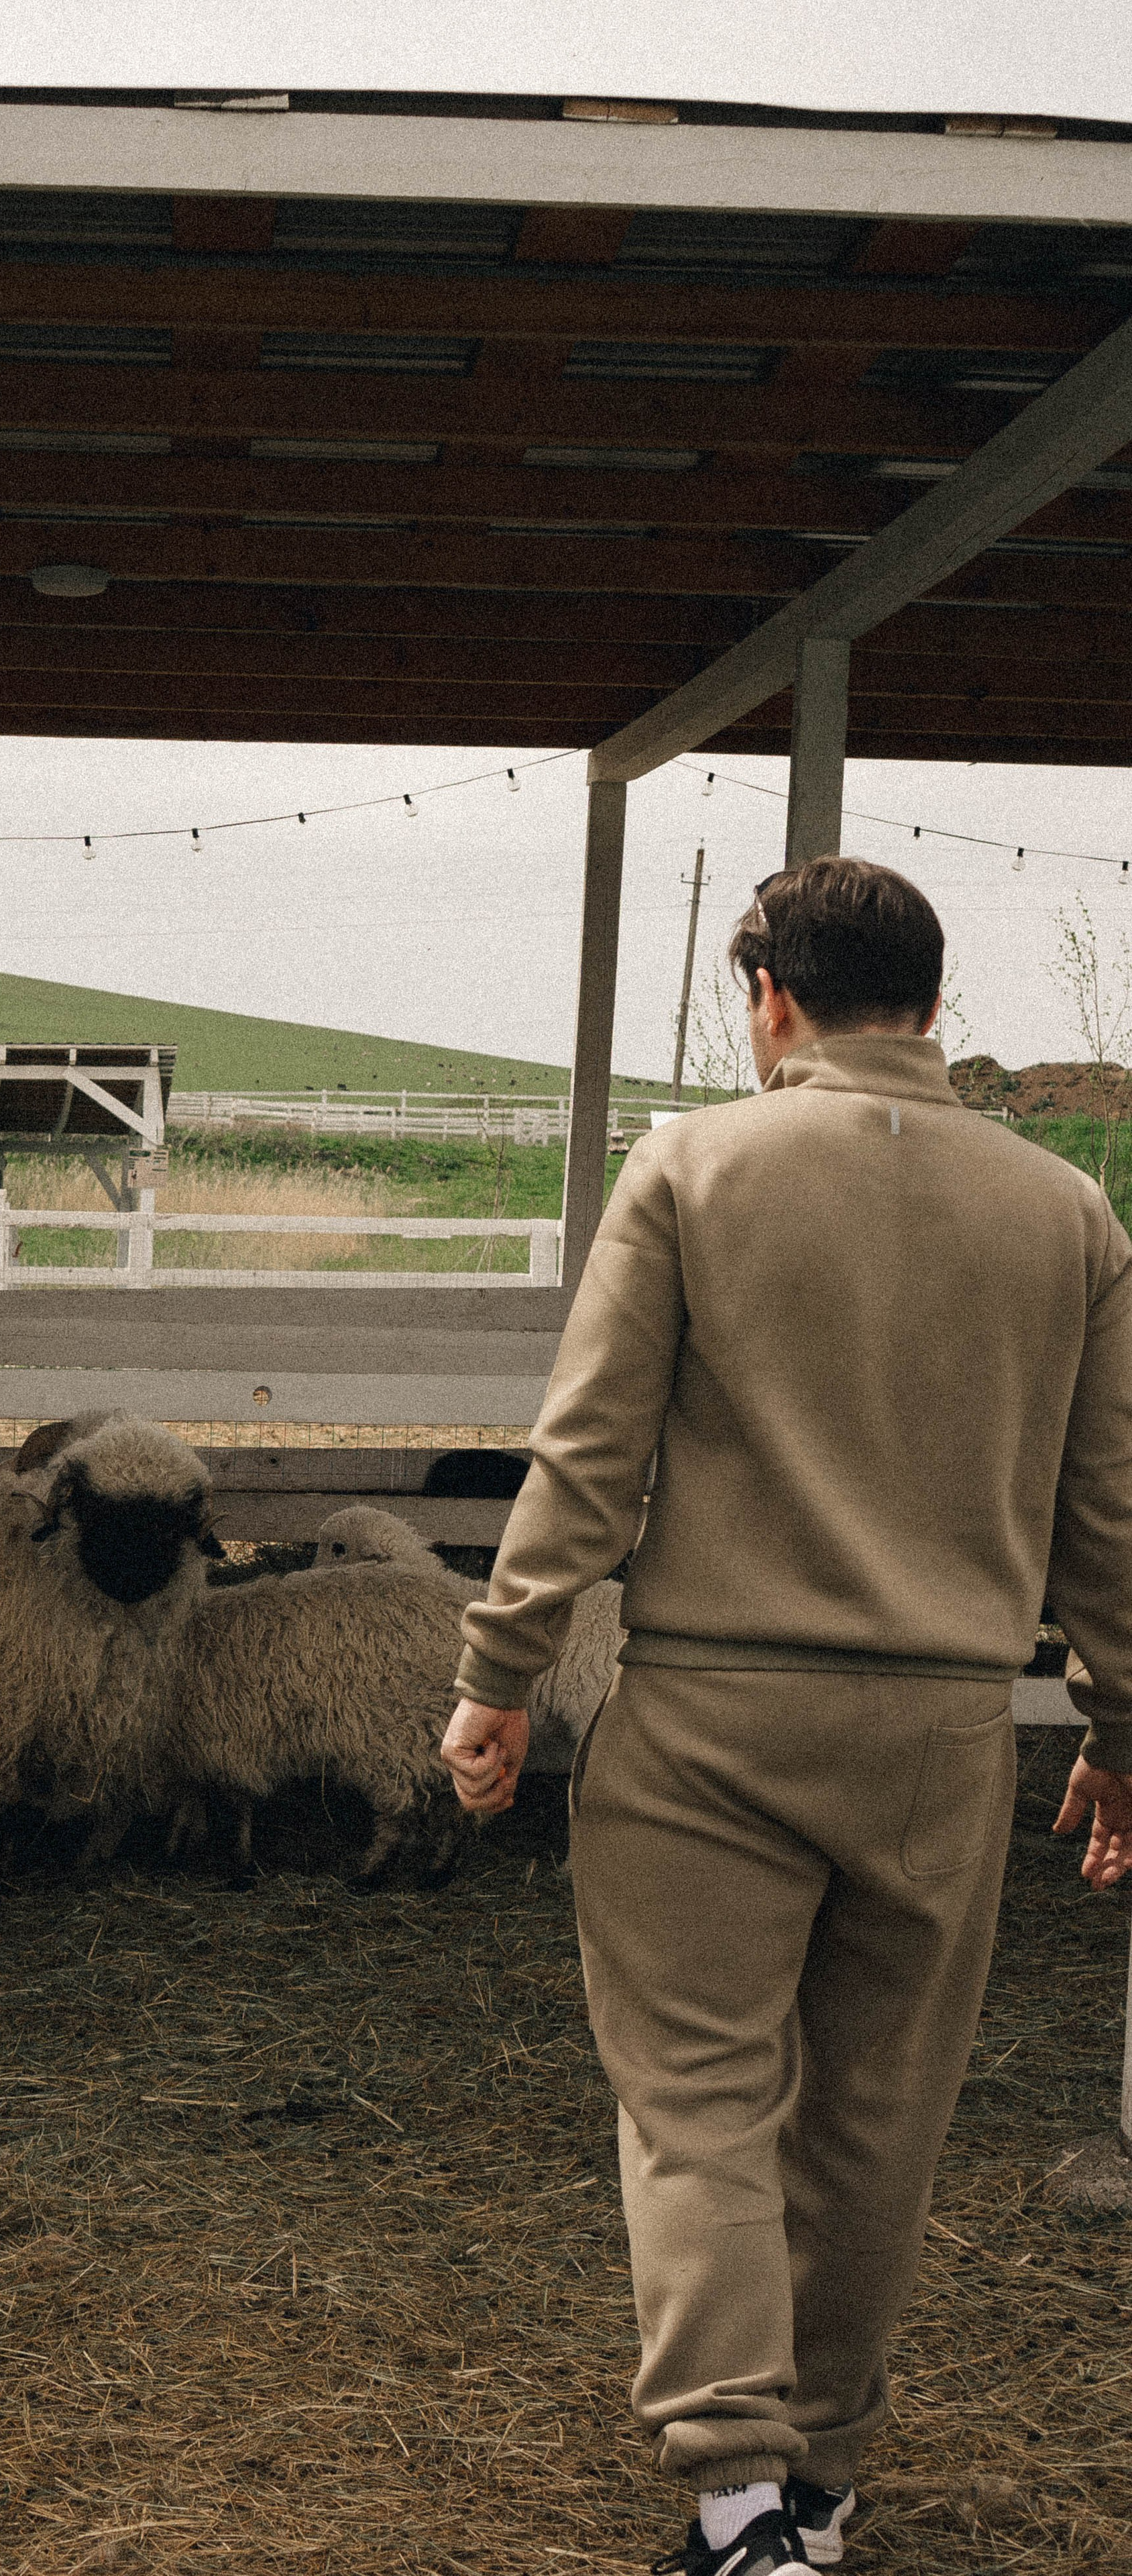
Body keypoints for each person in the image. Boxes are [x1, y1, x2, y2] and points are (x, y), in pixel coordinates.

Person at [441, 857, 1132, 2576]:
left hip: (709, 1725)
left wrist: (499, 1674)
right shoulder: (1064, 1213)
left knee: (695, 2097)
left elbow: (589, 1456)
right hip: (938, 1739)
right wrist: (1117, 1724)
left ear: (769, 996)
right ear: (932, 1002)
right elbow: (1102, 1514)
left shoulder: (690, 1166)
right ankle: (817, 2474)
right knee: (878, 2113)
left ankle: (738, 2490)